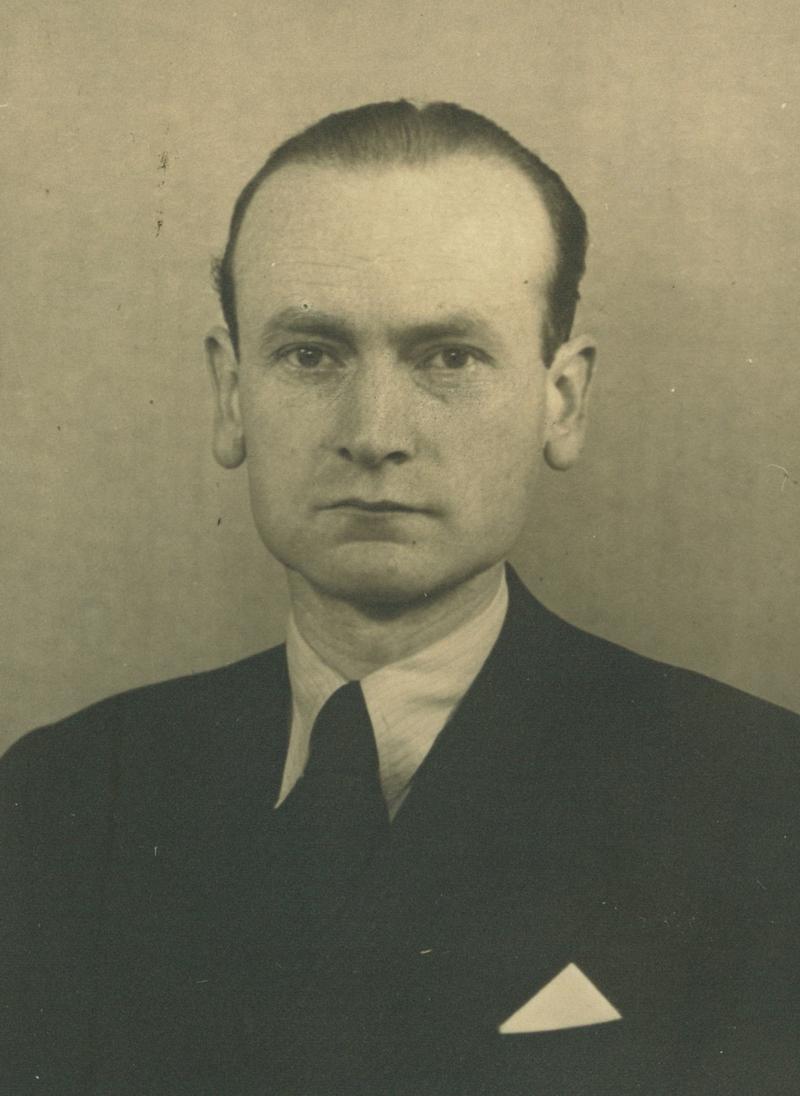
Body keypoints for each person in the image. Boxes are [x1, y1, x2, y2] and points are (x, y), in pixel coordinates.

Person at [2, 100, 798, 1096]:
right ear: (231, 393)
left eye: (448, 357)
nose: (374, 432)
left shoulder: (759, 802)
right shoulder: (64, 798)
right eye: (310, 354)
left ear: (561, 401)